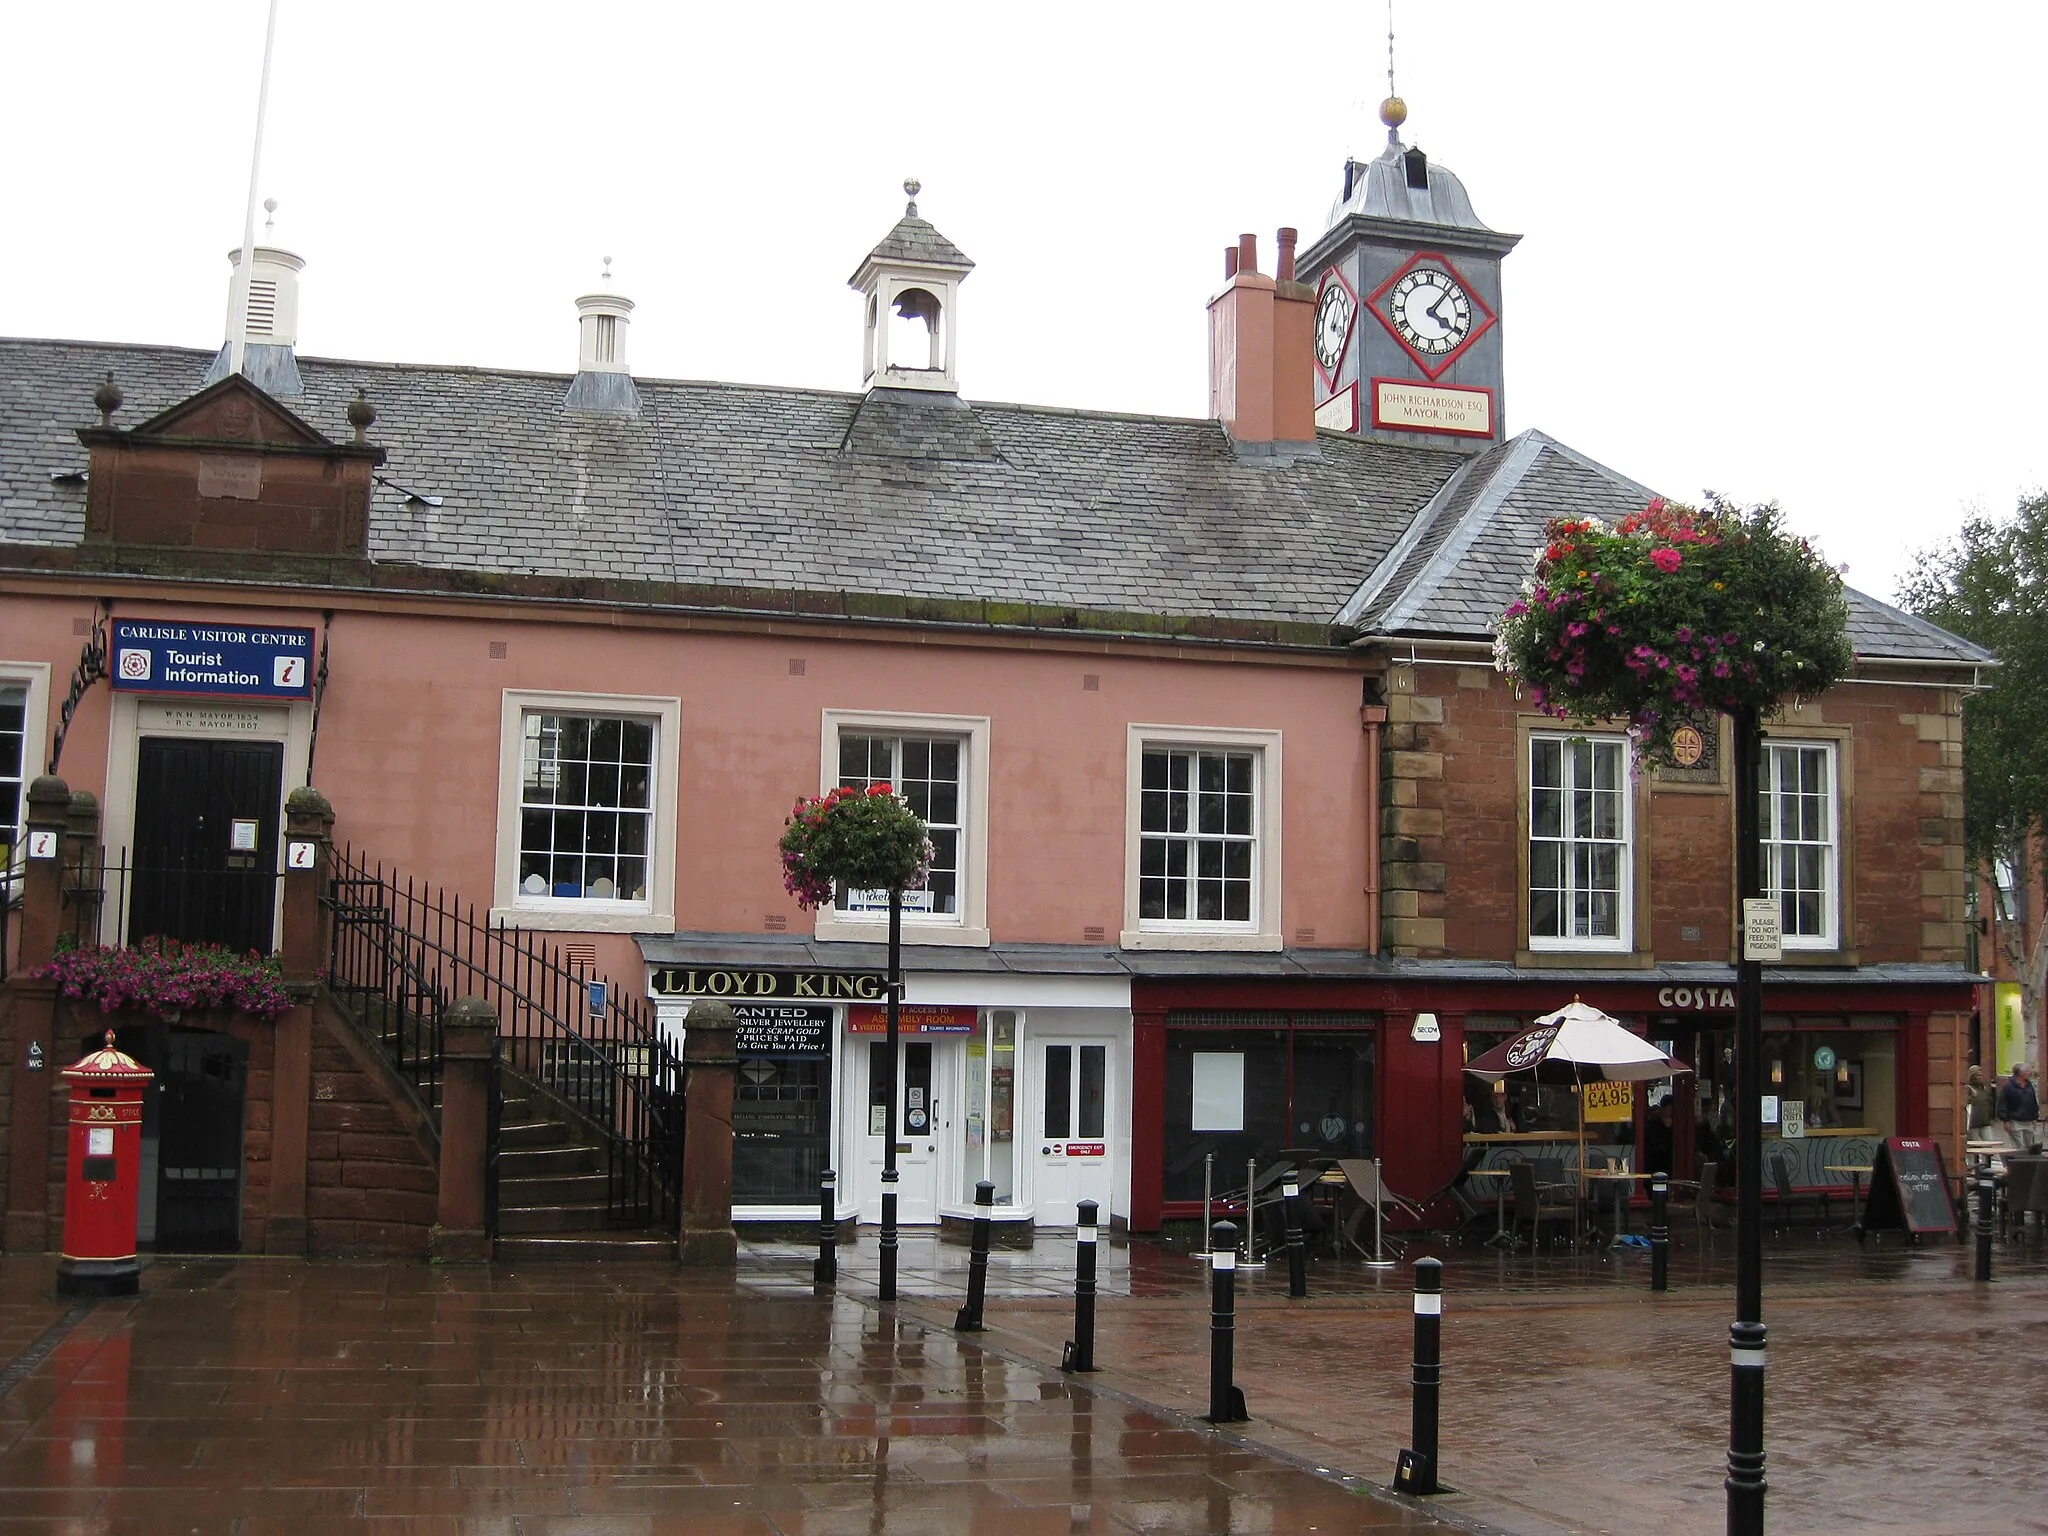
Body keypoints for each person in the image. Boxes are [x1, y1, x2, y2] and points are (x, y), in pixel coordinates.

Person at [1997, 1062, 2040, 1149]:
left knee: (2030, 1145)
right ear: (2020, 1073)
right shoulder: (2008, 1087)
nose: (2030, 1072)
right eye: (2027, 1070)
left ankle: (2028, 1162)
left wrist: (2035, 1117)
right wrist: (2006, 1120)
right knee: (2018, 1146)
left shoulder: (2029, 1085)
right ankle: (2018, 1162)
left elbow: (2033, 1101)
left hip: (2029, 1119)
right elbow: (2002, 1104)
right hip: (2015, 1120)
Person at [1966, 1065, 1998, 1138]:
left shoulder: (1984, 1088)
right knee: (1976, 1144)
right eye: (1978, 1075)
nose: (1980, 1077)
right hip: (1973, 1123)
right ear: (1972, 1076)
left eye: (1981, 1075)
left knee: (1989, 1143)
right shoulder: (1968, 1088)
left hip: (1985, 1122)